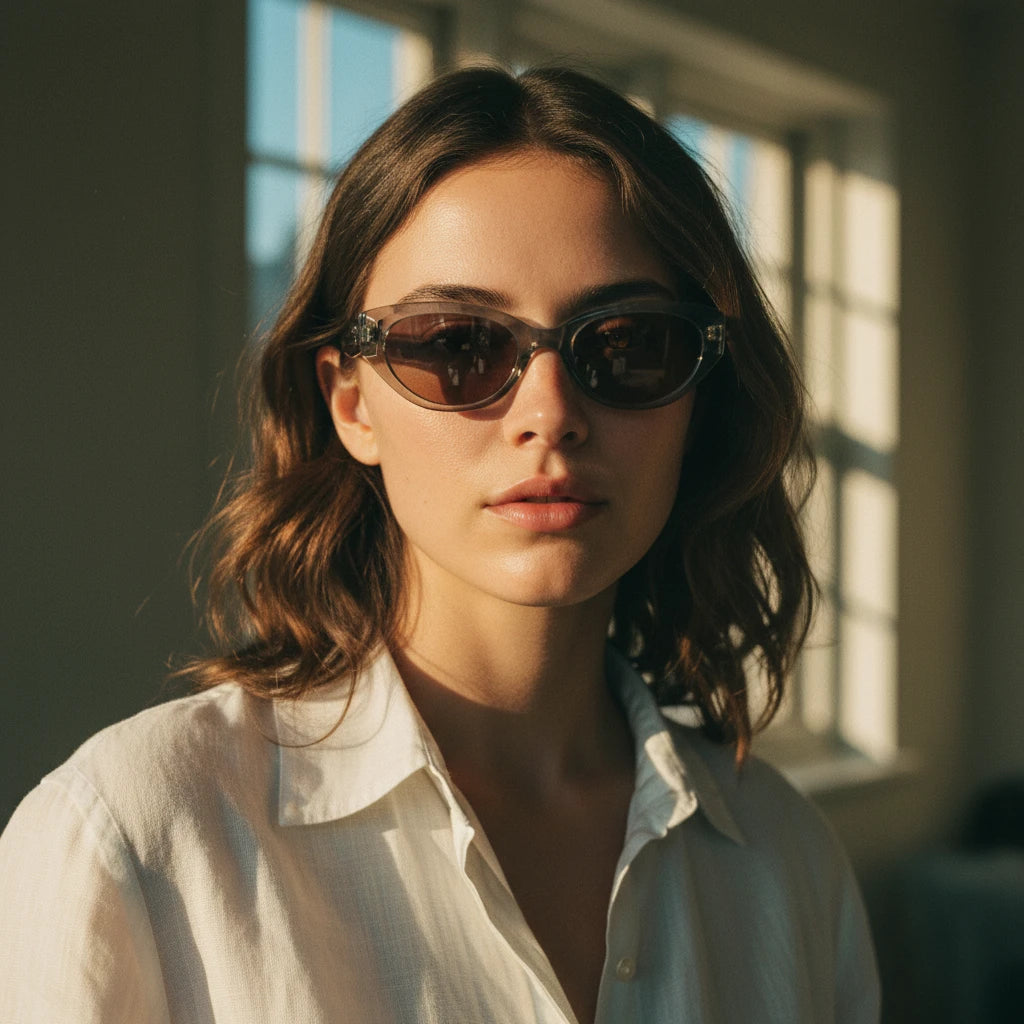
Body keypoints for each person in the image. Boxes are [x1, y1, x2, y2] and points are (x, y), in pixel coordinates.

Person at [0, 66, 880, 1023]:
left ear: (697, 396)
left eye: (627, 345)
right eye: (458, 344)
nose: (549, 414)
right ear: (351, 403)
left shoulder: (783, 858)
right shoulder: (135, 842)